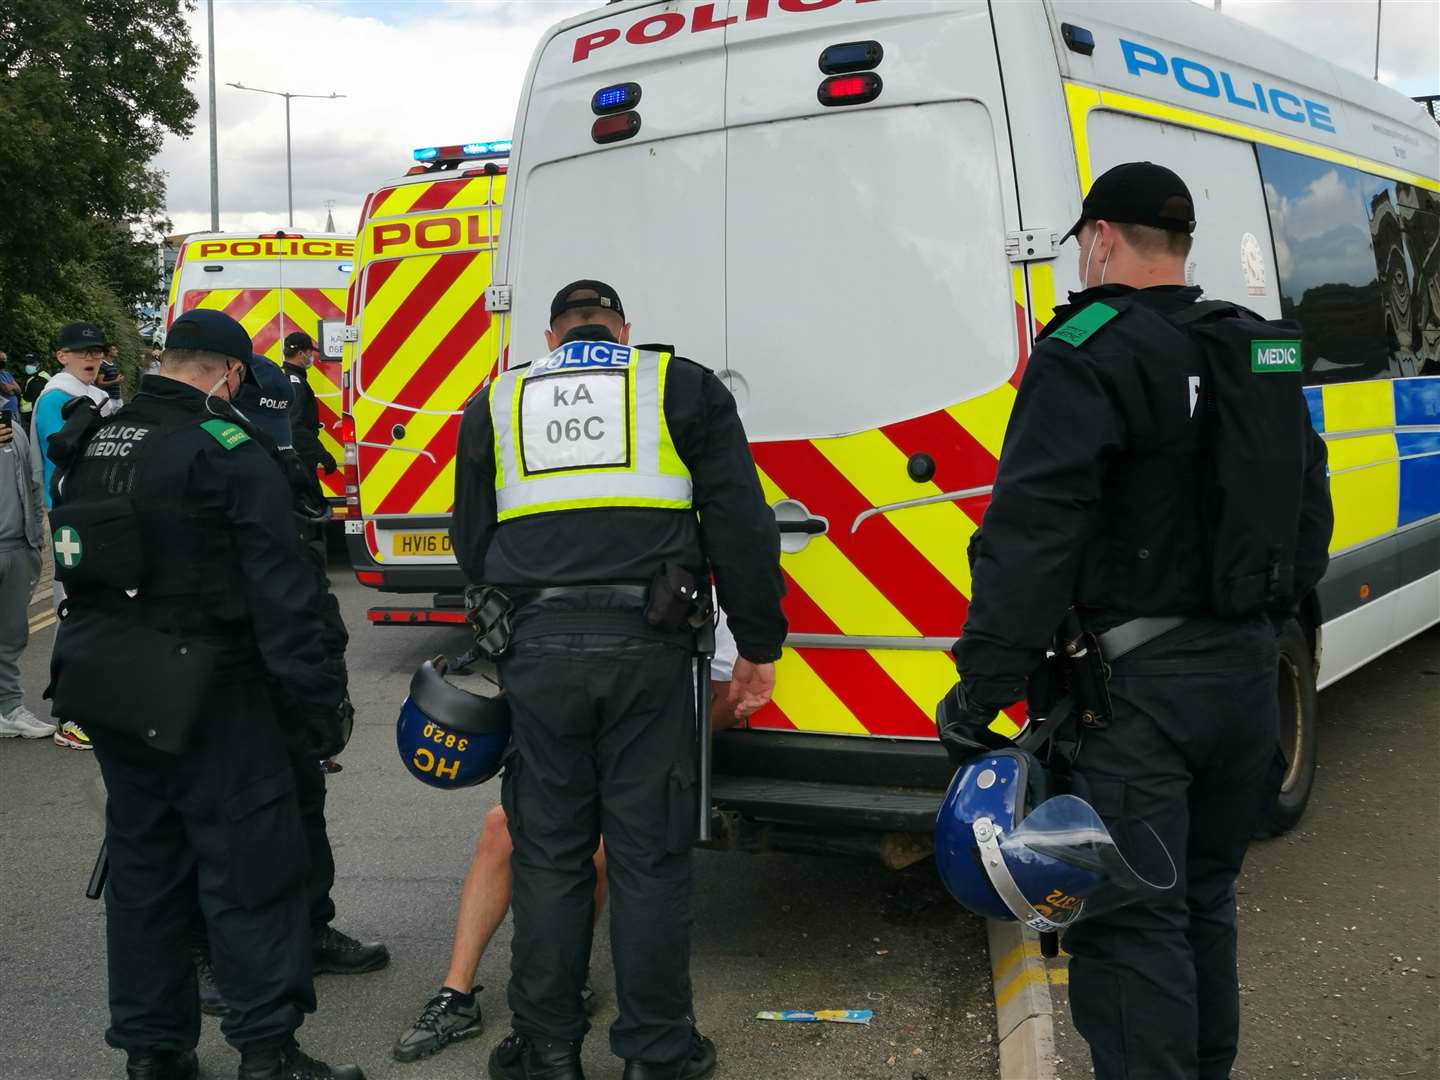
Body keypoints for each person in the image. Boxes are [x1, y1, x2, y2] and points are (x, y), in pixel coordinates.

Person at [940, 162, 1333, 1080]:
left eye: (1084, 244)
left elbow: (1035, 529)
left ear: (1102, 239)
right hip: (1244, 678)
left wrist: (984, 682)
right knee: (1203, 902)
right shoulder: (1260, 345)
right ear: (1182, 244)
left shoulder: (1084, 347)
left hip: (1136, 701)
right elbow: (1307, 516)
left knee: (1128, 927)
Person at [452, 280, 786, 1080]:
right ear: (622, 330)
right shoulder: (678, 383)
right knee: (648, 856)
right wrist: (760, 644)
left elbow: (472, 537)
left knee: (551, 853)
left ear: (553, 334)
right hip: (650, 647)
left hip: (538, 645)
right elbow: (740, 520)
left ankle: (546, 1050)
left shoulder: (497, 399)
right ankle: (658, 1052)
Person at [47, 308, 365, 1080]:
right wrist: (318, 709)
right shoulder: (226, 448)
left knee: (145, 874)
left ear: (164, 361)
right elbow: (284, 595)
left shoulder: (94, 438)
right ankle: (268, 1052)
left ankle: (154, 1052)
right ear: (227, 375)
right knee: (248, 873)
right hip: (213, 693)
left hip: (110, 687)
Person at [392, 612, 748, 1065]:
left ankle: (563, 998)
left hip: (650, 753)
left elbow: (730, 700)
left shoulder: (691, 594)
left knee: (589, 849)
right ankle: (456, 995)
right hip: (579, 745)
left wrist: (669, 742)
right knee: (502, 828)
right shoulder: (574, 575)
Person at [190, 356, 388, 1019]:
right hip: (224, 683)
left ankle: (310, 929)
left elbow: (307, 596)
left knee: (306, 805)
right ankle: (212, 956)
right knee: (225, 829)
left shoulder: (280, 477)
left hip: (286, 678)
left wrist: (326, 695)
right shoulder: (207, 473)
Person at [33, 321, 125, 750]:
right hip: (71, 514)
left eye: (96, 351)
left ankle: (97, 705)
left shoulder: (96, 395)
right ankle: (70, 716)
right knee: (72, 611)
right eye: (81, 352)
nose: (92, 358)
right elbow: (66, 450)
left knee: (101, 610)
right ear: (61, 357)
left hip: (98, 512)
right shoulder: (57, 397)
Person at [0, 410, 49, 739]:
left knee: (11, 634)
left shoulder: (14, 429)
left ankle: (8, 709)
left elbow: (33, 481)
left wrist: (36, 542)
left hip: (18, 546)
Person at [280, 333, 337, 479]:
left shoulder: (281, 376)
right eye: (309, 353)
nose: (311, 358)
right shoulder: (296, 382)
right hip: (299, 459)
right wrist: (322, 455)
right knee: (313, 500)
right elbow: (295, 425)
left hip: (289, 458)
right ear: (300, 354)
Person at [20, 356, 49, 421]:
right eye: (26, 363)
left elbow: (36, 399)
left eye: (31, 363)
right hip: (31, 413)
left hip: (34, 414)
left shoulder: (38, 379)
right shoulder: (35, 376)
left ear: (38, 364)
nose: (28, 366)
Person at [0, 351, 21, 421]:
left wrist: (12, 387)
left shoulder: (7, 374)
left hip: (14, 411)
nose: (4, 361)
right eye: (2, 358)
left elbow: (19, 390)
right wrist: (13, 387)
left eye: (5, 359)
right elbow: (7, 390)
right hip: (4, 413)